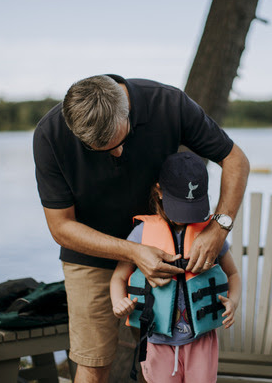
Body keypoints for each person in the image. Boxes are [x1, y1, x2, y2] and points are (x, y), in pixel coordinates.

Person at [33, 74, 249, 382]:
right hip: (90, 253)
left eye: (122, 141)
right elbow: (61, 227)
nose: (118, 154)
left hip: (166, 248)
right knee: (93, 362)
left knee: (160, 352)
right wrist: (134, 251)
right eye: (103, 149)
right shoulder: (50, 135)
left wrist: (218, 228)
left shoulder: (169, 104)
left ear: (128, 110)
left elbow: (235, 159)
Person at [110, 151, 241, 383]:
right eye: (180, 207)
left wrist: (233, 301)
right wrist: (118, 301)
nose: (186, 216)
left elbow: (233, 274)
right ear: (159, 191)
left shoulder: (211, 234)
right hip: (157, 341)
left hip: (201, 341)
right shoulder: (141, 233)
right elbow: (119, 277)